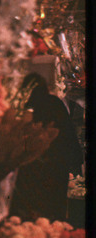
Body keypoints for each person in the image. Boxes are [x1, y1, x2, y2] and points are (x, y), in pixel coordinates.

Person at [9, 72, 83, 222]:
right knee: (55, 211)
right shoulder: (54, 103)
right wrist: (75, 165)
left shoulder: (27, 108)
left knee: (33, 214)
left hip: (34, 170)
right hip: (58, 168)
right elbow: (69, 136)